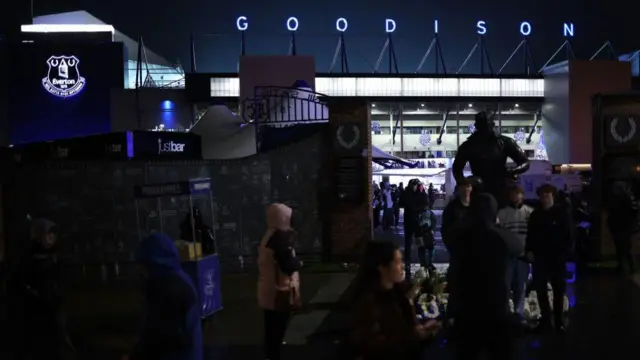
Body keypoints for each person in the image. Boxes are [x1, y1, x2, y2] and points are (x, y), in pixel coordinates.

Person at [455, 194, 524, 360]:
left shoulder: (461, 234)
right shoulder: (500, 236)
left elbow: (450, 237)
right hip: (496, 303)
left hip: (467, 303)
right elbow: (518, 246)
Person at [352, 241, 440, 360]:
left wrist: (424, 330)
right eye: (397, 262)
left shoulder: (400, 291)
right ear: (382, 267)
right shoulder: (368, 300)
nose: (402, 266)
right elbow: (371, 345)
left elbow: (409, 328)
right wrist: (413, 336)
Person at [124, 233, 203, 360]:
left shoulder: (169, 289)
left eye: (141, 263)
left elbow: (160, 337)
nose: (138, 269)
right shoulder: (175, 278)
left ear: (152, 262)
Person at [11, 219, 73, 360]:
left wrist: (58, 294)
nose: (51, 237)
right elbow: (18, 282)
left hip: (54, 306)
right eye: (47, 233)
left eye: (53, 234)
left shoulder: (56, 256)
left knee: (60, 341)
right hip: (35, 310)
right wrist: (32, 294)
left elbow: (63, 279)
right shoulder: (27, 259)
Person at [452, 111, 530, 206]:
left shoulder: (505, 142)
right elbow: (457, 168)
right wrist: (465, 183)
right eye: (481, 125)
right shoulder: (469, 145)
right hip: (479, 188)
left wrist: (512, 171)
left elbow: (525, 162)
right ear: (476, 126)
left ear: (492, 124)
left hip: (500, 186)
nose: (484, 128)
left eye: (486, 125)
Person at [257, 203, 302, 360]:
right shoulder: (280, 239)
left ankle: (270, 355)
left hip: (268, 291)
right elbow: (289, 265)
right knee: (277, 330)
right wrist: (298, 262)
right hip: (279, 292)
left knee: (270, 330)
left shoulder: (269, 236)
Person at [526, 184, 572, 333]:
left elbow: (569, 235)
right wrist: (529, 251)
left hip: (557, 258)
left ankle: (558, 321)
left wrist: (566, 253)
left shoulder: (562, 213)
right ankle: (546, 320)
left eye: (548, 194)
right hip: (540, 258)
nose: (545, 197)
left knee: (558, 290)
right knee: (541, 290)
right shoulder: (536, 215)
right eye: (542, 194)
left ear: (553, 195)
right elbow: (530, 235)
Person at [497, 185, 533, 325]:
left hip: (523, 256)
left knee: (520, 286)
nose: (515, 196)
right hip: (508, 256)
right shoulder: (502, 213)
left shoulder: (529, 212)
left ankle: (518, 314)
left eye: (518, 193)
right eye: (513, 194)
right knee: (505, 286)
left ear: (522, 195)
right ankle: (506, 313)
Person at [441, 179, 472, 323]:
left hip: (474, 254)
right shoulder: (452, 208)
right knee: (456, 286)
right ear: (459, 189)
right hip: (458, 254)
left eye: (468, 187)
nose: (466, 190)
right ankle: (453, 318)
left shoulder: (476, 206)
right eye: (463, 187)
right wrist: (453, 248)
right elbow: (445, 231)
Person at [607, 181, 639, 274]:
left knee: (625, 247)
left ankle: (629, 265)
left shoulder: (623, 198)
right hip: (621, 225)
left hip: (623, 226)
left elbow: (632, 211)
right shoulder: (625, 198)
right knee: (622, 247)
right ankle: (625, 265)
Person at [400, 179, 429, 280]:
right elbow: (402, 203)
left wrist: (422, 191)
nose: (415, 187)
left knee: (420, 243)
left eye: (416, 185)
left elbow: (426, 202)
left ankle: (423, 263)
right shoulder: (406, 193)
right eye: (414, 185)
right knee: (408, 244)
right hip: (409, 222)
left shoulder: (420, 193)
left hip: (417, 223)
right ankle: (408, 263)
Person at [415, 205, 438, 271]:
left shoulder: (428, 213)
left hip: (426, 233)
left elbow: (434, 221)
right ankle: (425, 264)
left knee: (428, 249)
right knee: (423, 249)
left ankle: (427, 264)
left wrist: (432, 229)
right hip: (421, 233)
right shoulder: (419, 213)